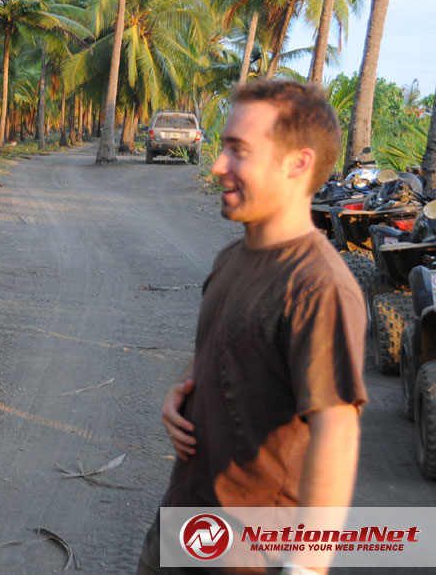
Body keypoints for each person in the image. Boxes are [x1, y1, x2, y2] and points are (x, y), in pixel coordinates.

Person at [137, 79, 368, 574]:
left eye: (238, 151)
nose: (218, 165)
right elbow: (231, 349)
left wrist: (307, 567)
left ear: (298, 163)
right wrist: (182, 389)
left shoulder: (318, 286)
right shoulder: (232, 258)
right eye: (223, 147)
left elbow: (336, 431)